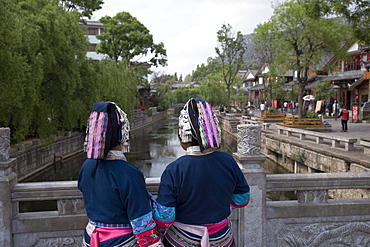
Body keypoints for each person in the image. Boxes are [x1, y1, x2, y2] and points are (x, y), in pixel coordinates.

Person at [151, 98, 250, 247]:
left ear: (182, 136)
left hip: (183, 240)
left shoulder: (175, 169)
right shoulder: (227, 160)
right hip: (222, 238)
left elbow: (165, 218)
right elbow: (243, 199)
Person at [78, 102, 162, 247]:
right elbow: (142, 223)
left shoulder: (86, 166)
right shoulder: (128, 172)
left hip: (91, 238)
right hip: (120, 241)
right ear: (120, 133)